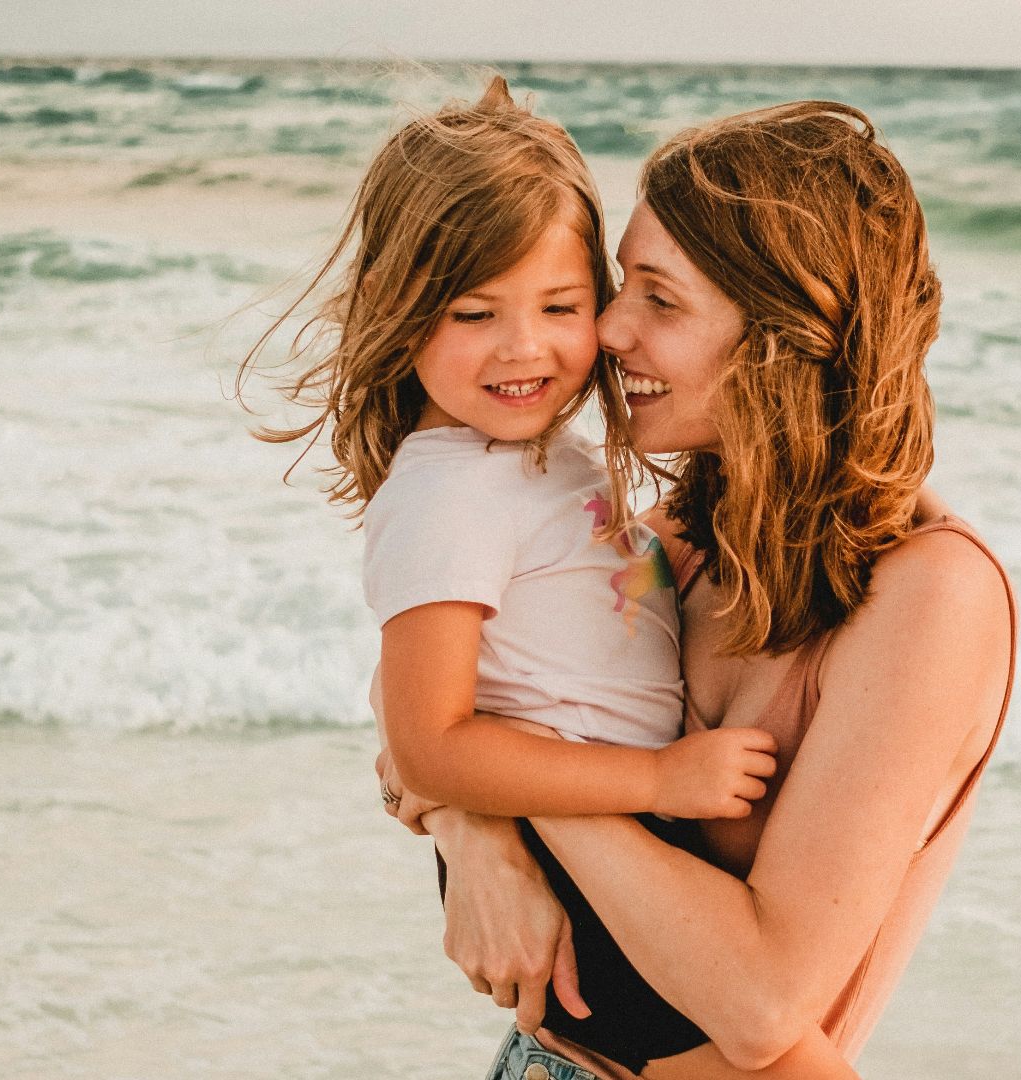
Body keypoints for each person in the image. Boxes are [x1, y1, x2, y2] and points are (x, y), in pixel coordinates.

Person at [383, 101, 1016, 1079]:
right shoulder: (680, 535)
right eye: (620, 284)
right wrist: (476, 837)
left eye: (661, 301)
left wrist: (526, 796)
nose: (609, 328)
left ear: (784, 337)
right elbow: (419, 722)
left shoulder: (930, 595)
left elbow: (760, 1003)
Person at [239, 78, 809, 1074]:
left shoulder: (536, 459)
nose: (524, 347)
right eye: (474, 312)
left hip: (613, 845)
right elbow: (429, 746)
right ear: (397, 311)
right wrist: (659, 779)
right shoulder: (446, 494)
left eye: (561, 306)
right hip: (582, 871)